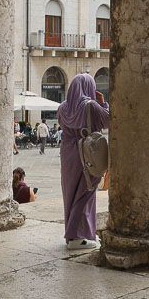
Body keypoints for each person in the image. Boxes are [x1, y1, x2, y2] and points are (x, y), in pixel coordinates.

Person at [57, 73, 110, 250]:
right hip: (86, 153)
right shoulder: (91, 105)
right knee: (86, 192)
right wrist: (103, 103)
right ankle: (77, 236)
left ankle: (74, 233)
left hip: (67, 154)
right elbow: (109, 121)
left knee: (70, 192)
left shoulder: (63, 108)